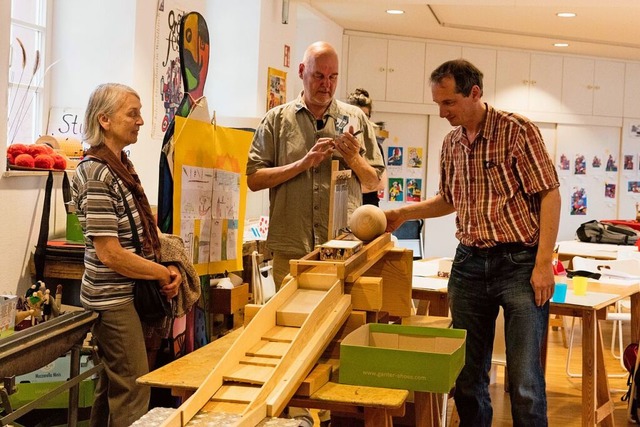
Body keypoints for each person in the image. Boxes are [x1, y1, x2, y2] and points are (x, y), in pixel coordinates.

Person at [384, 59, 561, 426]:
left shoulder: (517, 132)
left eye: (449, 103)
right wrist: (403, 213)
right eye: (438, 104)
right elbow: (449, 199)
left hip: (519, 264)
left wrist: (543, 263)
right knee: (466, 377)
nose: (442, 112)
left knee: (525, 381)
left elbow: (550, 195)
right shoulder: (451, 143)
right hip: (468, 264)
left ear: (475, 93)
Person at [71, 83, 182, 426]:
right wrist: (161, 273)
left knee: (112, 386)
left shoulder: (121, 166)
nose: (140, 121)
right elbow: (110, 254)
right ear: (104, 119)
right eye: (132, 113)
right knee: (133, 390)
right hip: (112, 299)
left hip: (124, 294)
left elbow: (140, 233)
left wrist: (169, 263)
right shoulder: (97, 172)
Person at [247, 41, 385, 287]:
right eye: (319, 76)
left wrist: (354, 159)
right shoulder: (276, 121)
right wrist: (302, 164)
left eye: (333, 77)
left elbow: (373, 181)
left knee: (341, 320)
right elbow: (254, 179)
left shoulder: (356, 118)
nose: (327, 85)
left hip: (343, 246)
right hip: (291, 249)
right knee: (288, 322)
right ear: (301, 71)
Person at [346, 87, 387, 206]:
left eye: (365, 116)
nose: (361, 120)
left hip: (368, 209)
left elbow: (381, 183)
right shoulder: (338, 144)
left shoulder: (375, 147)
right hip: (344, 208)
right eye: (356, 115)